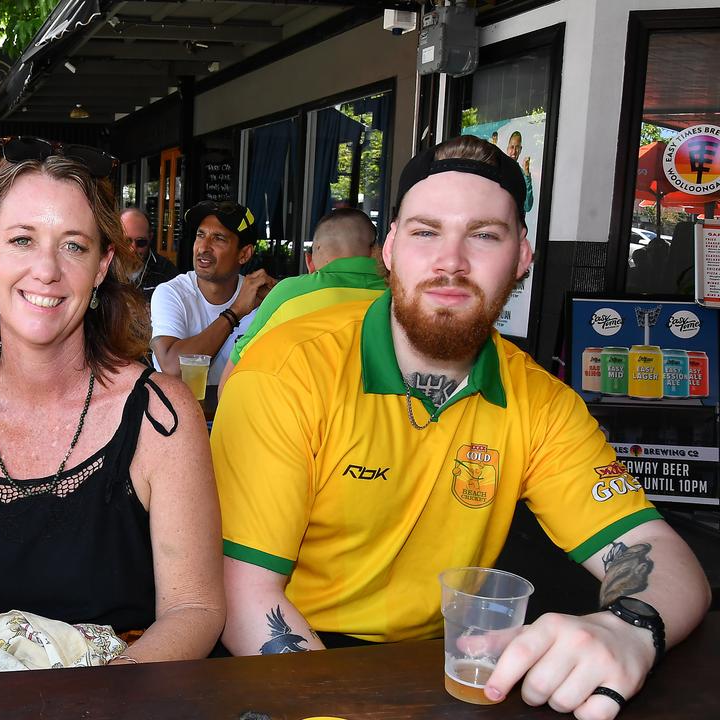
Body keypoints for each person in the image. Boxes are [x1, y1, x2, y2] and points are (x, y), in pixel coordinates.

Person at [213, 136, 710, 718]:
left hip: (447, 665)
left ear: (522, 256)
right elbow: (246, 596)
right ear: (391, 249)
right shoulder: (286, 369)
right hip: (290, 658)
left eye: (484, 235)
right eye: (426, 232)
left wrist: (629, 630)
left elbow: (653, 549)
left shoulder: (540, 401)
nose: (451, 261)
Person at [0, 136, 224, 677]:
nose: (47, 270)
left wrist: (82, 707)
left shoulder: (160, 416)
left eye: (74, 245)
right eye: (23, 240)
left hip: (125, 699)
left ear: (103, 266)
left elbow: (194, 610)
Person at [217, 207, 385, 393]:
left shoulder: (290, 293)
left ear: (316, 251)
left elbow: (232, 377)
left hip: (303, 414)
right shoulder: (398, 295)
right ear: (375, 251)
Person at [149, 200, 274, 383]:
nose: (203, 247)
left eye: (218, 238)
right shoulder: (171, 293)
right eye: (200, 235)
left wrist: (280, 296)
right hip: (177, 410)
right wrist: (235, 312)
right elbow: (173, 368)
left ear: (244, 254)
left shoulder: (259, 296)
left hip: (235, 408)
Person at [120, 207, 178, 299]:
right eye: (127, 241)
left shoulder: (166, 272)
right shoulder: (104, 269)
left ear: (150, 238)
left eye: (141, 242)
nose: (132, 249)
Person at [506, 130, 535, 213]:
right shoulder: (499, 168)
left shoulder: (523, 174)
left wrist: (526, 174)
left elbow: (528, 206)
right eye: (512, 147)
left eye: (517, 147)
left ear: (521, 149)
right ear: (507, 148)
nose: (514, 151)